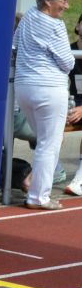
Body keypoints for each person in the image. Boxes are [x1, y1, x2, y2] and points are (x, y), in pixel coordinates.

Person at [13, 0, 74, 210]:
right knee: (50, 144)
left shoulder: (28, 16)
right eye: (63, 1)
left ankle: (36, 190)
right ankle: (39, 197)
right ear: (48, 1)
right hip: (49, 89)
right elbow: (68, 62)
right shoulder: (55, 25)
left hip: (24, 88)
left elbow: (15, 44)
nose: (66, 6)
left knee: (44, 143)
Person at [64, 12, 82, 196]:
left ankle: (80, 178)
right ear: (78, 26)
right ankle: (54, 169)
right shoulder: (68, 52)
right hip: (73, 101)